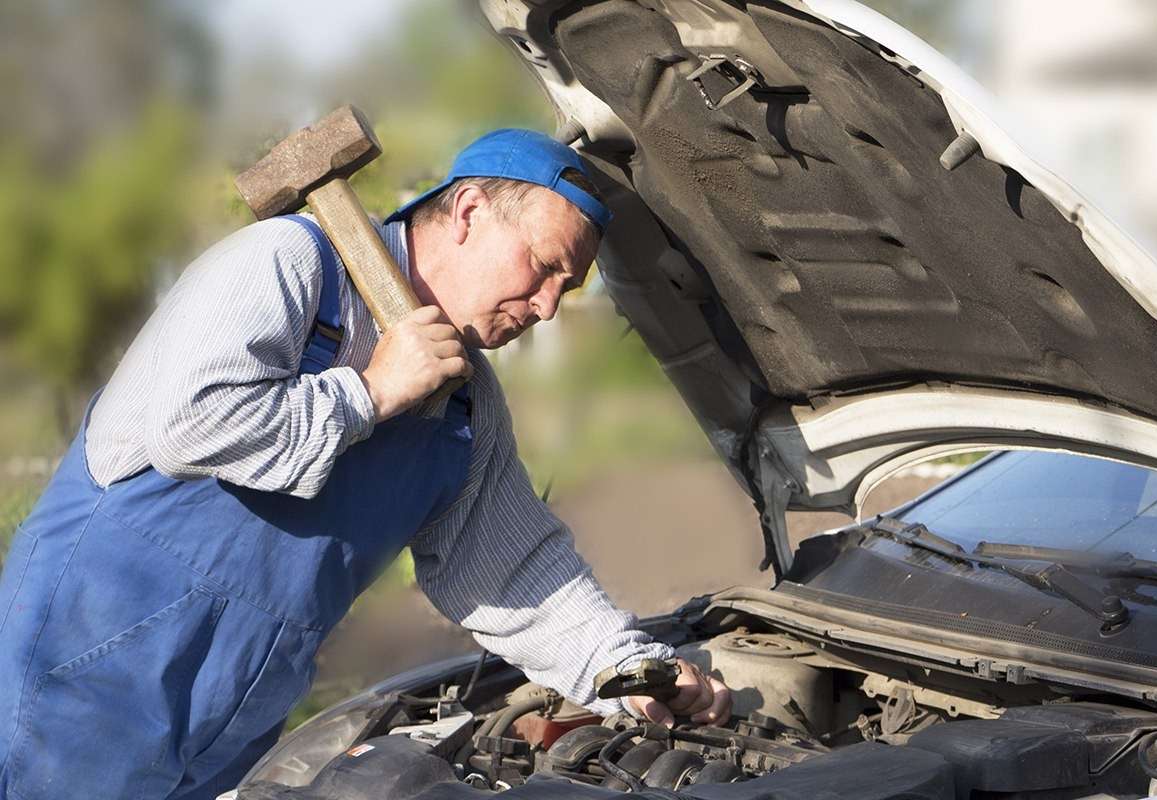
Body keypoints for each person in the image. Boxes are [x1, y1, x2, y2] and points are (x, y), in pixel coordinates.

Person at [0, 129, 729, 800]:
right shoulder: (288, 264)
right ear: (470, 210)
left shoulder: (466, 404)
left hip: (232, 722)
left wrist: (626, 670)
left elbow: (514, 575)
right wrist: (371, 391)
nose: (545, 306)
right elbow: (190, 423)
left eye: (567, 290)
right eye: (543, 267)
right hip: (74, 684)